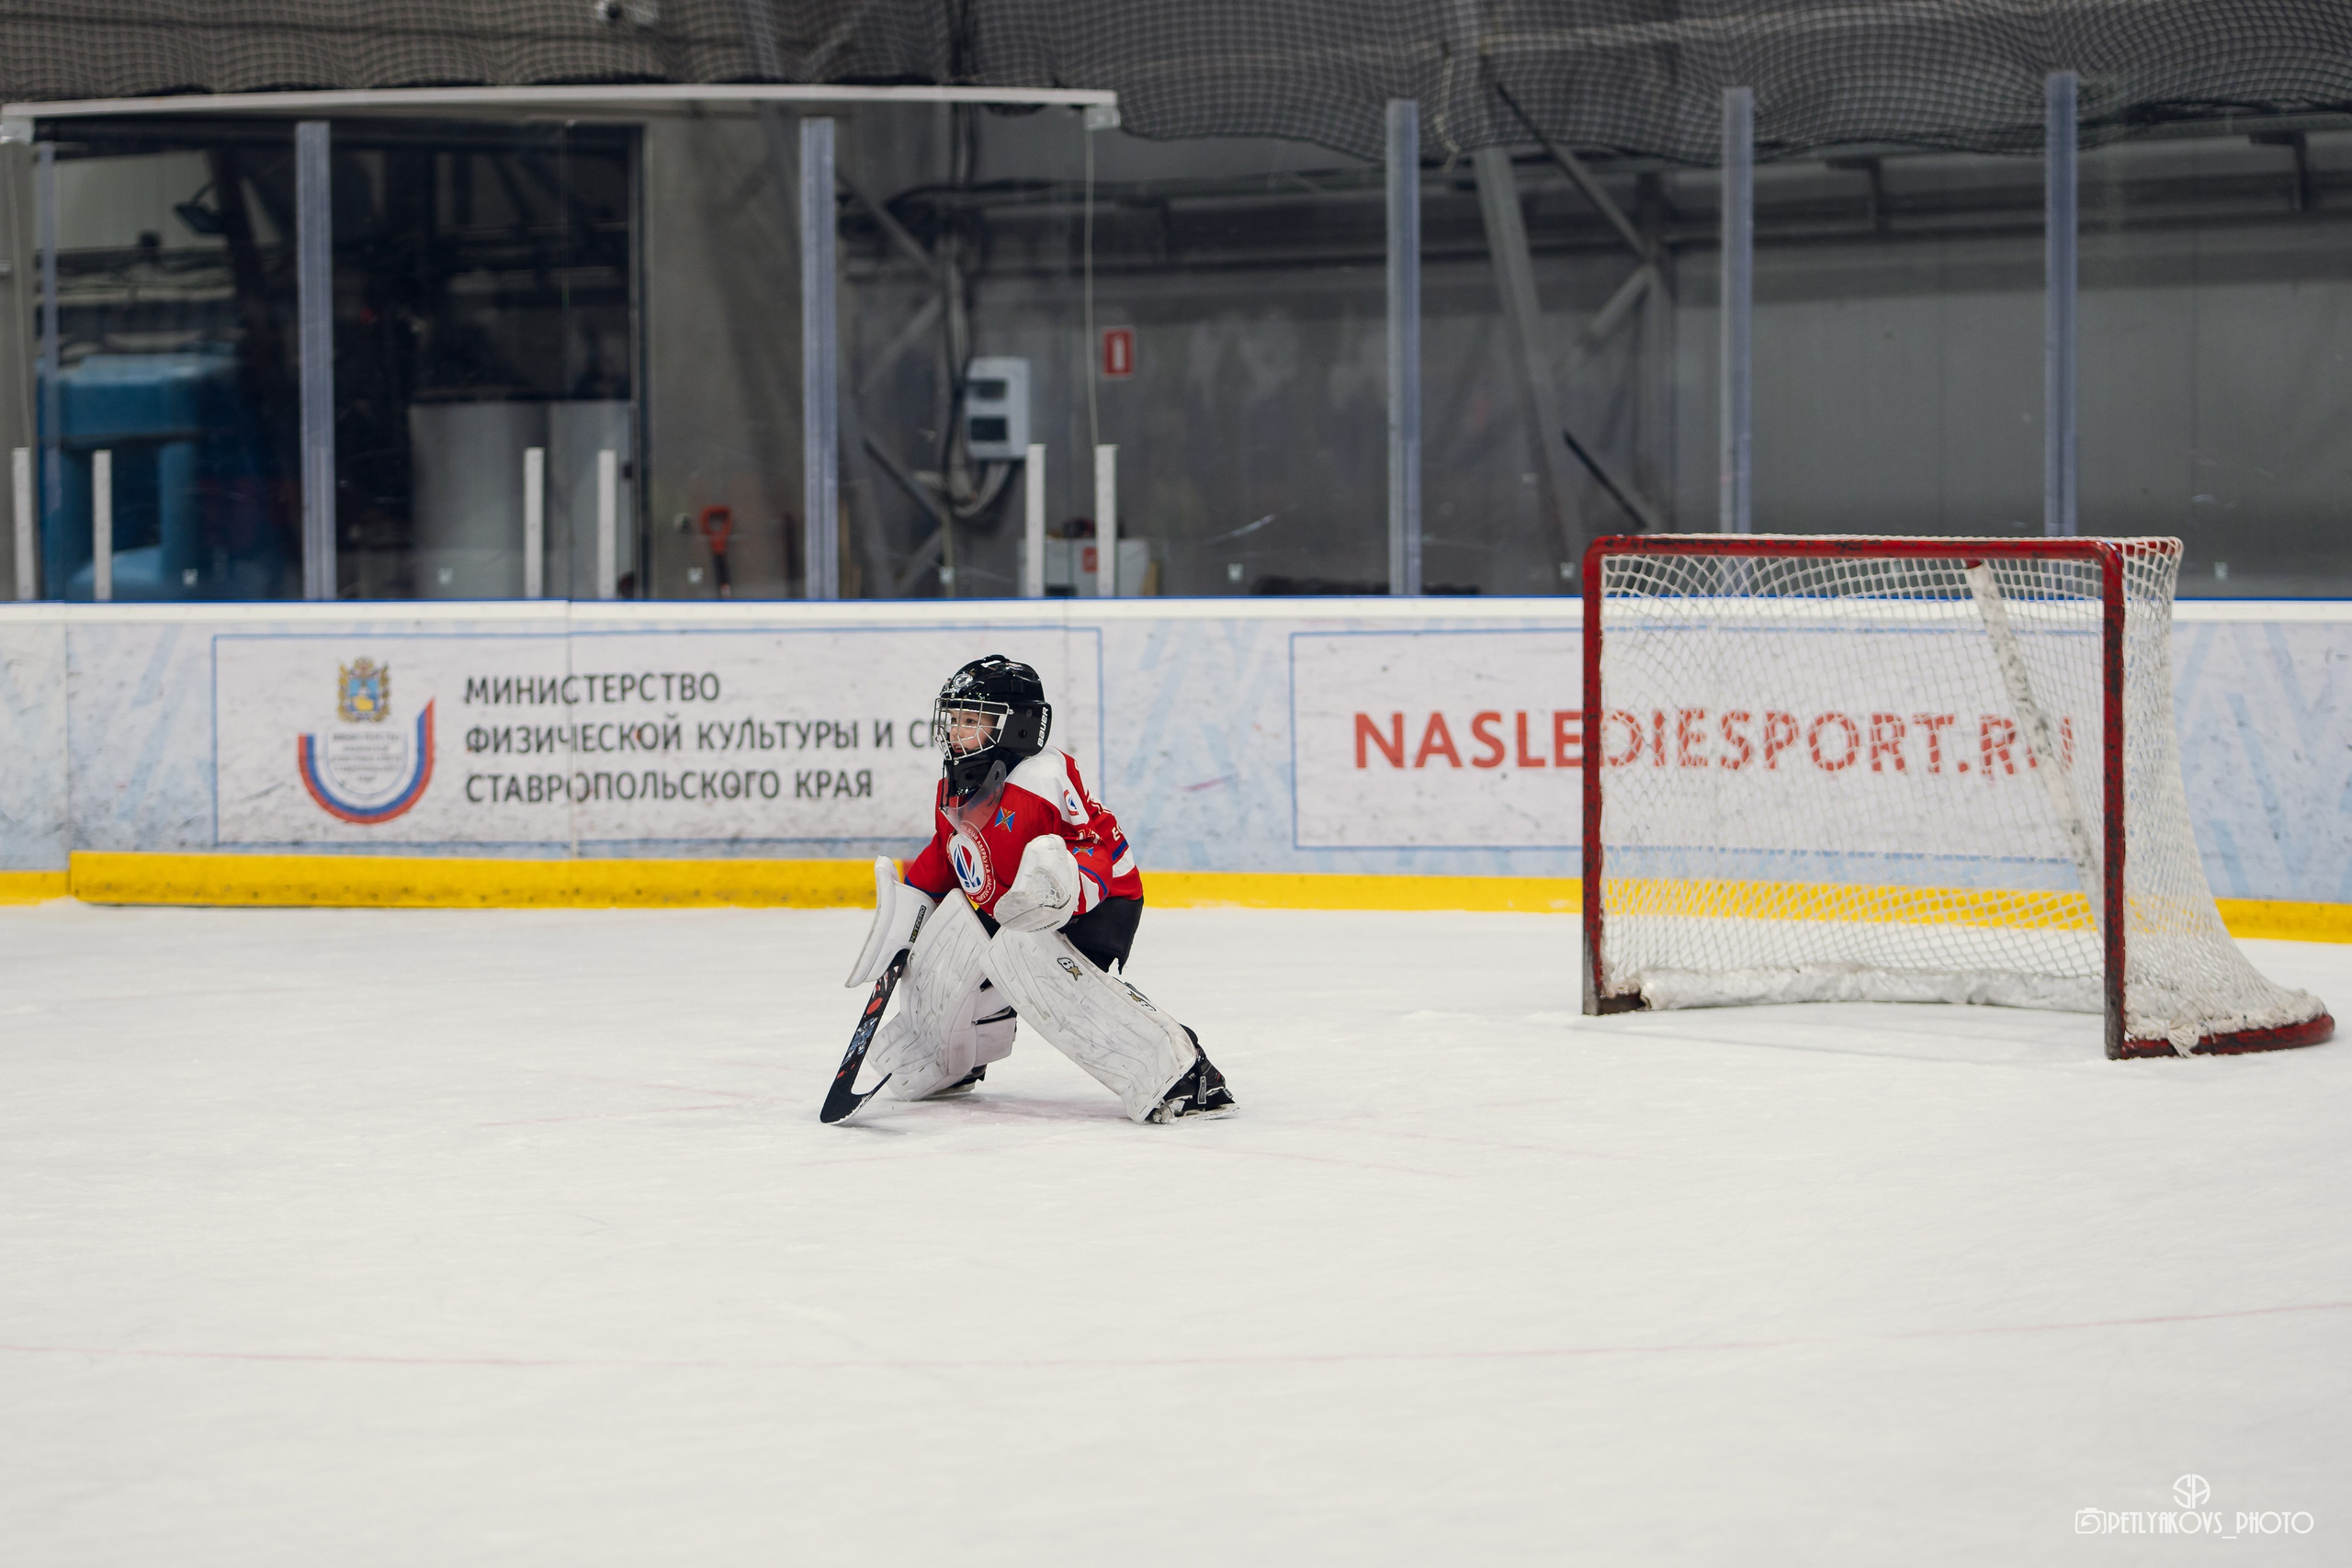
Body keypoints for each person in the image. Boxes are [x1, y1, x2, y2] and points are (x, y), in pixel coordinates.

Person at [842, 654, 1235, 1122]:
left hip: (1096, 905)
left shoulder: (1044, 779)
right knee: (944, 943)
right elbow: (949, 850)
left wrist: (1062, 892)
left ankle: (1182, 1075)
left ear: (1015, 728)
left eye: (971, 720)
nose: (954, 731)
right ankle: (952, 1055)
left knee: (1026, 956)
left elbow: (1094, 850)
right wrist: (913, 907)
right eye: (954, 718)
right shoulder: (955, 781)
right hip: (1005, 903)